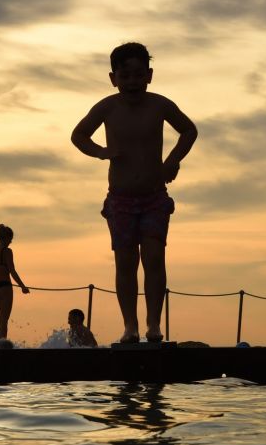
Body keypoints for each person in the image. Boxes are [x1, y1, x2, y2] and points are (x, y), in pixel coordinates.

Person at [71, 42, 198, 343]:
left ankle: (154, 324)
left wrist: (172, 161)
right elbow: (78, 135)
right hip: (121, 200)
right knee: (126, 261)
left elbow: (189, 130)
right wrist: (102, 152)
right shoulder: (107, 107)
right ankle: (131, 326)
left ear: (149, 75)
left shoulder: (159, 104)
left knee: (154, 258)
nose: (132, 82)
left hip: (154, 196)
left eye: (139, 75)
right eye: (125, 76)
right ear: (113, 78)